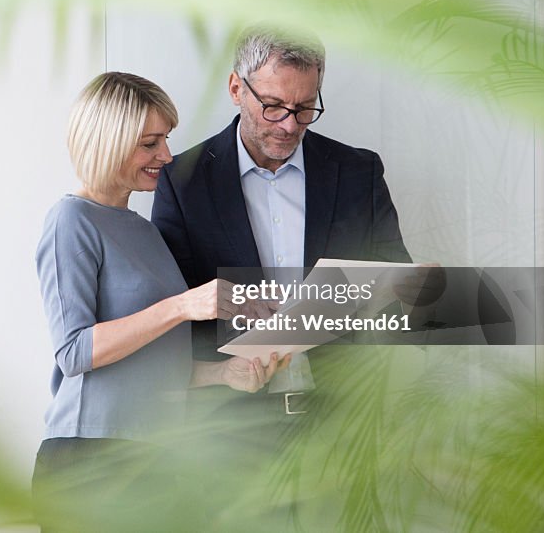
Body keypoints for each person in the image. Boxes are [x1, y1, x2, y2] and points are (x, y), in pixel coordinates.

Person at [32, 71, 286, 533]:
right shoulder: (71, 220)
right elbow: (74, 353)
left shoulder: (145, 230)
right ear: (108, 141)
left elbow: (148, 364)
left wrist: (222, 374)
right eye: (150, 143)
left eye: (165, 139)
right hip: (93, 458)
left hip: (157, 454)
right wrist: (184, 306)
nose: (166, 156)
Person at [151, 27, 412, 417]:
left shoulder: (359, 172)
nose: (290, 125)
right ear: (237, 89)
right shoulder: (183, 182)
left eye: (305, 107)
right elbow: (171, 313)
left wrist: (421, 294)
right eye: (273, 105)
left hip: (344, 420)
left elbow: (400, 291)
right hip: (228, 428)